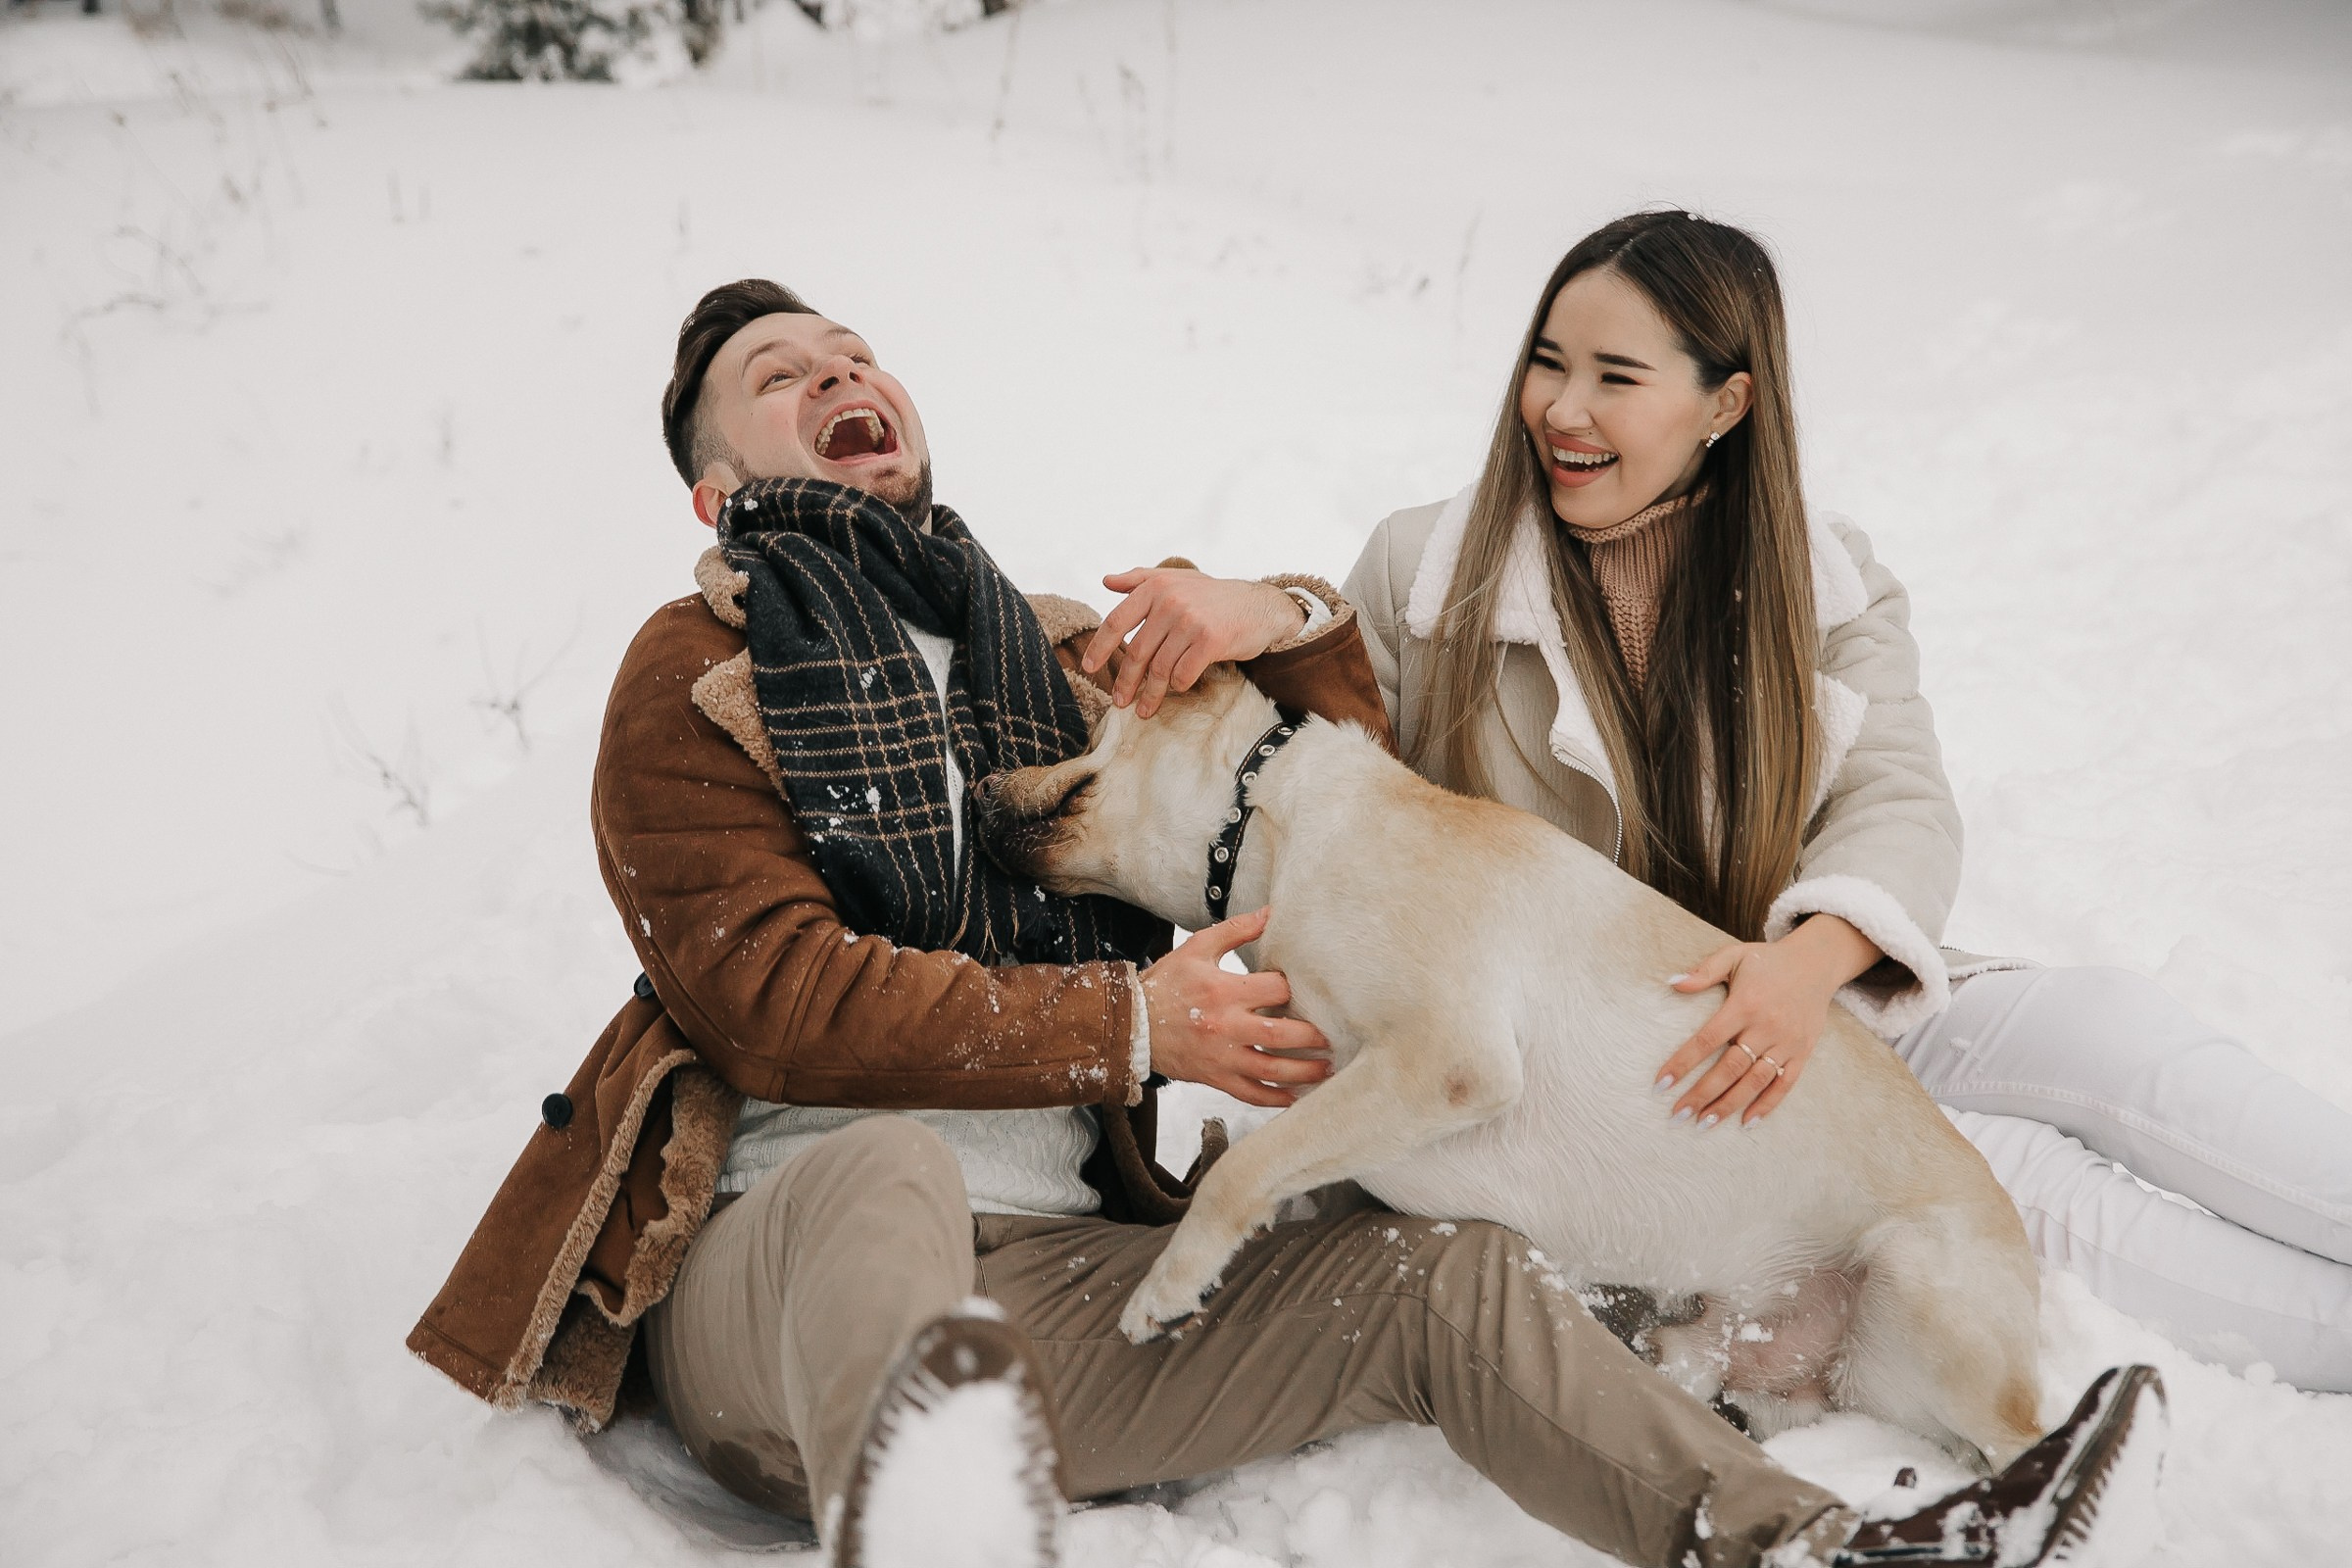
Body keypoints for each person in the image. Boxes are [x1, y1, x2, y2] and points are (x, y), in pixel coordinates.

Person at [405, 278, 2161, 1568]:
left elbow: (1327, 730)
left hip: (1045, 1298)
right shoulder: (692, 677)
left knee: (1444, 1277)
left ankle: (1814, 1551)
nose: (840, 373)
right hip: (785, 1276)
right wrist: (1133, 1031)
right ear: (721, 490)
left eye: (856, 351)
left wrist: (1279, 604)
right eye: (782, 378)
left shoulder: (1040, 645)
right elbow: (770, 1000)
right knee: (892, 1178)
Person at [1325, 208, 2352, 1392]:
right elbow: (1341, 786)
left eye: (1615, 374)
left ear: (1727, 404)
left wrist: (1809, 965)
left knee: (2109, 1025)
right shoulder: (1424, 571)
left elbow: (1899, 795)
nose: (1562, 407)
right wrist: (1290, 619)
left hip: (1803, 983)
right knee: (2015, 1177)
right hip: (1624, 1082)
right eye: (1548, 361)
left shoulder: (1821, 575)